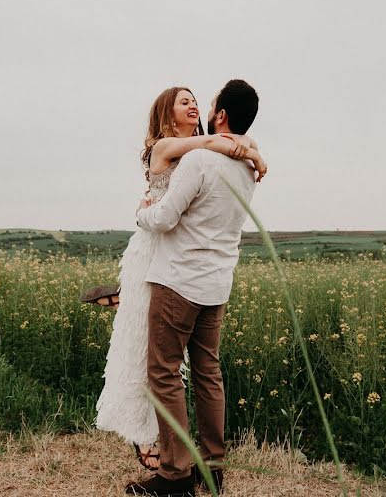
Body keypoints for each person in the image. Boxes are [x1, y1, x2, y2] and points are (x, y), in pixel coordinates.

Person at [90, 85, 266, 474]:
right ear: (167, 115)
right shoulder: (173, 149)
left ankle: (174, 469)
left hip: (176, 266)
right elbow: (220, 141)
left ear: (219, 113)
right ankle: (195, 456)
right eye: (183, 102)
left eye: (197, 101)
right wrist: (251, 152)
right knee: (175, 362)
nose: (194, 105)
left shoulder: (201, 158)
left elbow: (213, 149)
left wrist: (249, 148)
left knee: (164, 369)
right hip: (174, 262)